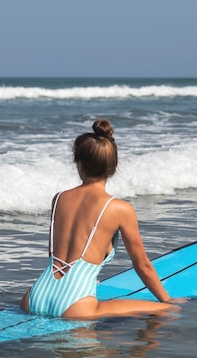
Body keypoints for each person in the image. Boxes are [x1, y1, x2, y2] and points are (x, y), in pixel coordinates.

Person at [20, 118, 178, 319]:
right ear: (113, 166)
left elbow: (56, 251)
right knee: (168, 312)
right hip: (76, 304)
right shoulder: (119, 208)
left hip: (36, 295)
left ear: (79, 163)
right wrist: (167, 299)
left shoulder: (59, 198)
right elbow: (142, 265)